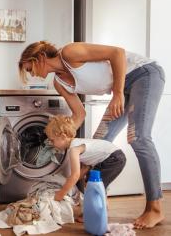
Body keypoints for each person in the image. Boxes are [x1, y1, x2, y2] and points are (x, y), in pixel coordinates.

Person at [18, 41, 165, 229]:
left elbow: (117, 53)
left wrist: (118, 94)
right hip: (124, 88)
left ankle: (155, 208)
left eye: (30, 69)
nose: (32, 75)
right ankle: (97, 203)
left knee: (139, 138)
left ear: (39, 58)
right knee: (94, 149)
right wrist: (60, 136)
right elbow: (79, 115)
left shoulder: (70, 52)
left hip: (143, 74)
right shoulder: (59, 83)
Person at [45, 115, 126, 199]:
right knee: (92, 183)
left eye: (52, 140)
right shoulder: (76, 143)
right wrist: (66, 183)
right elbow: (84, 169)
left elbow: (75, 175)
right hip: (112, 156)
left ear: (63, 137)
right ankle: (99, 205)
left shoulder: (74, 150)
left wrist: (61, 194)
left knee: (94, 185)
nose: (51, 143)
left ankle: (99, 208)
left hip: (112, 159)